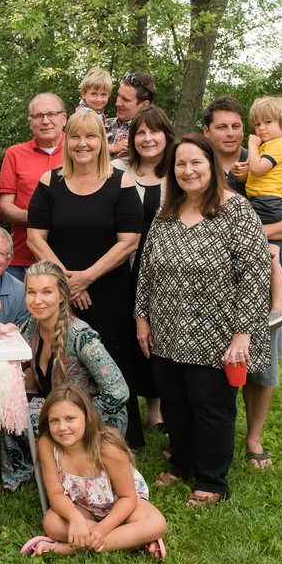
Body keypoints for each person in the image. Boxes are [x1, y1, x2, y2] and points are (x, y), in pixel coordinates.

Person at [134, 134, 270, 506]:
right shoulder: (167, 213)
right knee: (175, 403)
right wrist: (142, 318)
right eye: (181, 164)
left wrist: (242, 335)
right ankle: (182, 463)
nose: (188, 170)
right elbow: (146, 270)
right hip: (167, 329)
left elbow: (255, 278)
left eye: (196, 163)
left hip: (217, 335)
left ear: (212, 165)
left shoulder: (237, 212)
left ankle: (212, 481)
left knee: (210, 406)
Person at [203, 95, 282, 469]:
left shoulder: (272, 164)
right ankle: (213, 436)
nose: (231, 133)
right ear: (208, 131)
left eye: (236, 126)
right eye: (222, 126)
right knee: (214, 362)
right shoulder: (200, 167)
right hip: (214, 282)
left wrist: (248, 233)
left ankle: (254, 439)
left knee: (262, 366)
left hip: (265, 277)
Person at [26, 110, 143, 447]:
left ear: (102, 142)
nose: (82, 144)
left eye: (91, 136)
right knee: (65, 361)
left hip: (108, 289)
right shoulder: (51, 182)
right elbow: (36, 238)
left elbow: (129, 241)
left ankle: (116, 434)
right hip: (58, 291)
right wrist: (67, 284)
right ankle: (65, 429)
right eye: (75, 136)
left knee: (111, 360)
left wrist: (86, 279)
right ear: (67, 141)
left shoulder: (121, 183)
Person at [2, 261, 129, 492]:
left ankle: (68, 472)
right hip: (59, 414)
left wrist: (78, 416)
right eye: (31, 292)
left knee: (29, 415)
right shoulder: (31, 326)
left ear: (62, 295)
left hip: (97, 418)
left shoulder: (81, 337)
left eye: (46, 292)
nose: (37, 300)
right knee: (11, 409)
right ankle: (23, 474)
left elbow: (118, 391)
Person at [20, 385, 167, 559]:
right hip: (83, 505)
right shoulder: (47, 444)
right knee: (51, 522)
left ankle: (67, 549)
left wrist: (100, 530)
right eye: (54, 421)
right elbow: (56, 493)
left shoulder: (108, 450)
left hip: (120, 504)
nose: (62, 427)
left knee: (156, 523)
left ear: (87, 418)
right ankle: (132, 539)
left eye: (70, 418)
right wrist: (75, 518)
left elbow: (128, 498)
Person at [119, 105, 175, 431]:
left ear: (166, 136)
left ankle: (156, 407)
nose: (147, 138)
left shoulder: (180, 173)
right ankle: (125, 405)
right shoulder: (117, 170)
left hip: (163, 271)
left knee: (157, 337)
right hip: (123, 267)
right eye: (140, 132)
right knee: (127, 336)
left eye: (154, 131)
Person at [0, 93, 68, 281]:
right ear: (30, 122)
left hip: (71, 259)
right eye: (38, 116)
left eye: (51, 114)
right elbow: (5, 207)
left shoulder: (78, 150)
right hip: (22, 261)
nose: (45, 121)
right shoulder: (15, 153)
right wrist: (39, 219)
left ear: (64, 118)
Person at [243, 96, 282, 329]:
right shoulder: (269, 146)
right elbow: (254, 174)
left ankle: (277, 306)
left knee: (241, 231)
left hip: (267, 205)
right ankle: (277, 307)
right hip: (266, 202)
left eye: (268, 122)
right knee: (272, 254)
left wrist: (251, 147)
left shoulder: (278, 145)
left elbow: (258, 167)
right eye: (257, 124)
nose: (261, 128)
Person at [105, 71, 155, 159]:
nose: (117, 103)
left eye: (125, 100)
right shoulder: (103, 124)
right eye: (119, 96)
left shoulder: (149, 138)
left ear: (144, 105)